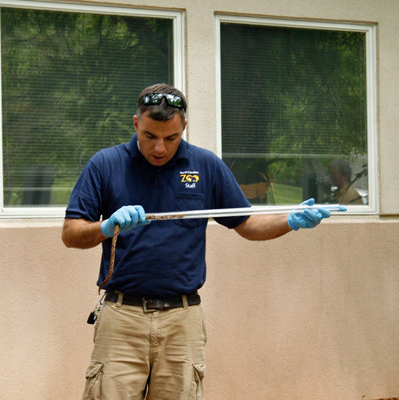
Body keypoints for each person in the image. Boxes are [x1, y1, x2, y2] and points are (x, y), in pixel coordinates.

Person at [62, 83, 342, 400]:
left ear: (184, 126)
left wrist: (290, 221)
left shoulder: (205, 165)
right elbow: (71, 232)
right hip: (121, 316)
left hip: (182, 319)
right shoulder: (105, 164)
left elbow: (246, 223)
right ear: (137, 123)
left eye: (171, 138)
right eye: (150, 136)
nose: (159, 148)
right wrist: (106, 226)